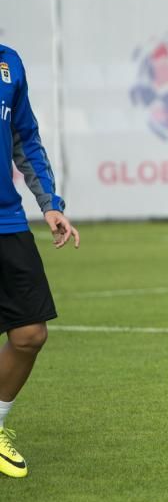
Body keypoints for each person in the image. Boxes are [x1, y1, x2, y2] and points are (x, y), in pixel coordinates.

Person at [0, 43, 80, 478]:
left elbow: (24, 137)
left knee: (30, 333)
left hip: (6, 220)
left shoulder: (8, 63)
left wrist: (49, 203)